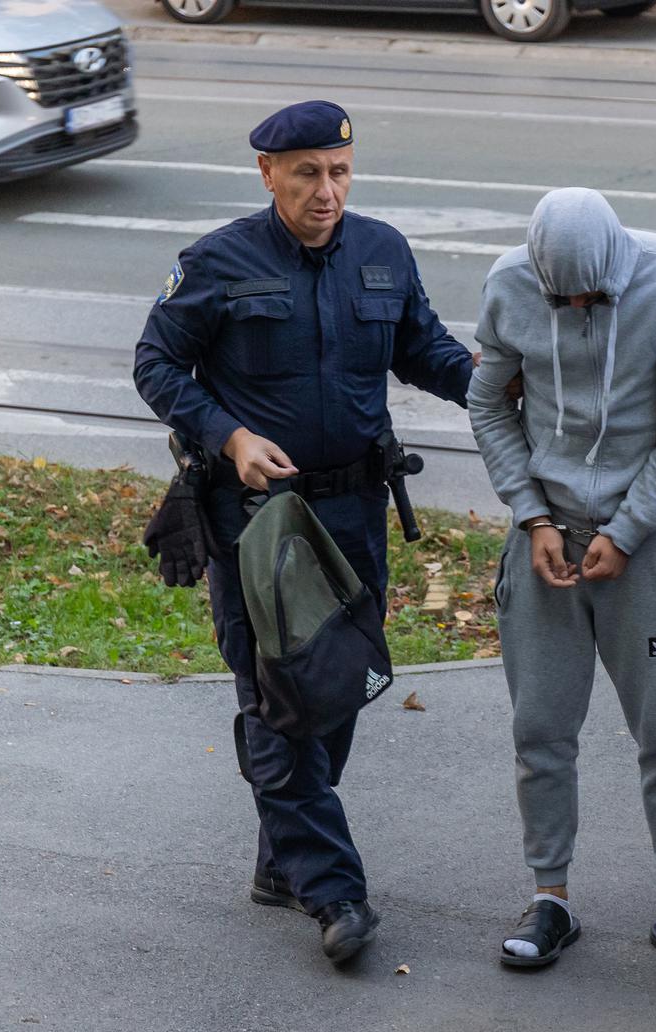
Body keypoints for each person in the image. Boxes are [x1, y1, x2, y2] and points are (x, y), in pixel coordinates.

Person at [134, 100, 477, 965]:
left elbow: (423, 348)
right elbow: (156, 362)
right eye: (308, 175)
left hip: (355, 511)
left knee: (336, 685)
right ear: (268, 174)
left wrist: (493, 386)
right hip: (260, 523)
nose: (328, 191)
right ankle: (334, 891)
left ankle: (280, 861)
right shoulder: (218, 261)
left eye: (340, 172)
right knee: (280, 698)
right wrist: (230, 436)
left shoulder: (382, 250)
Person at [467, 187, 656, 981]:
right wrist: (530, 517)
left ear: (617, 265)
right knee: (540, 730)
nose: (578, 305)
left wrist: (626, 532)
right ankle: (549, 896)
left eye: (592, 295)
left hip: (642, 545)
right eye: (563, 297)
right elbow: (488, 409)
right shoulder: (510, 281)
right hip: (544, 537)